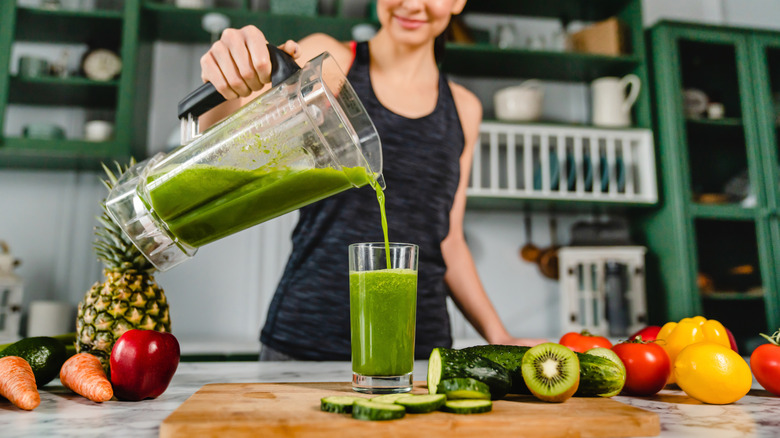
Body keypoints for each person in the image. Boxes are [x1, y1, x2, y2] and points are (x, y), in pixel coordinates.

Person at [199, 0, 546, 361]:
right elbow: (219, 140)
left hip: (417, 350)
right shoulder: (331, 62)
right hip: (306, 341)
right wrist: (226, 76)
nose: (412, 4)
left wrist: (499, 335)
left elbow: (449, 239)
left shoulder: (464, 109)